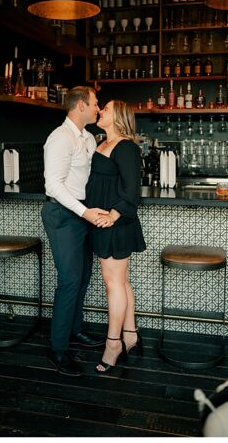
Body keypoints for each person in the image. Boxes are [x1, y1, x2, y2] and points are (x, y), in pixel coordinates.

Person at [41, 86, 110, 378]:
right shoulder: (59, 137)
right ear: (81, 105)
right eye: (95, 104)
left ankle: (75, 329)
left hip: (83, 214)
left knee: (83, 276)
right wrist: (84, 212)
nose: (98, 108)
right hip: (63, 213)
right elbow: (54, 184)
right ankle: (58, 350)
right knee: (69, 281)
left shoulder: (89, 138)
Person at [84, 99, 146, 374]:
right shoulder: (100, 143)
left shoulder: (126, 147)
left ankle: (113, 344)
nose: (100, 111)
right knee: (120, 282)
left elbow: (132, 190)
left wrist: (113, 215)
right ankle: (130, 335)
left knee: (113, 285)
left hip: (116, 226)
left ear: (118, 115)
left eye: (105, 109)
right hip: (102, 223)